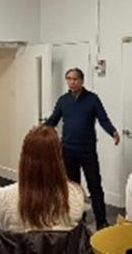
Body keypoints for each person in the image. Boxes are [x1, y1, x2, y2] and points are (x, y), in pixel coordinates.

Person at [44, 68, 118, 228]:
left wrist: (112, 132)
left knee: (95, 185)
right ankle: (77, 217)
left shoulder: (92, 99)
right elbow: (53, 120)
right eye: (69, 79)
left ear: (82, 81)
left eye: (75, 79)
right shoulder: (63, 100)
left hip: (87, 150)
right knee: (73, 187)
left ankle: (101, 221)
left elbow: (103, 119)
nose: (72, 82)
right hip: (68, 150)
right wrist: (39, 131)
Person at [0, 125, 86, 233]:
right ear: (59, 159)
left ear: (24, 160)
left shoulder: (5, 197)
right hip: (62, 250)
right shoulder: (76, 195)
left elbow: (4, 232)